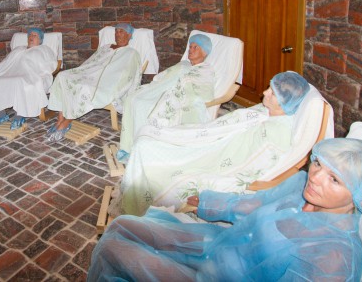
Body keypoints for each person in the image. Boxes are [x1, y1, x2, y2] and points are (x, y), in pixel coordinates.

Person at [89, 137, 362, 281]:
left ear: (358, 198)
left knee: (112, 249)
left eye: (334, 179)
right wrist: (209, 202)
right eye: (318, 164)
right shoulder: (300, 185)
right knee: (121, 225)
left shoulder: (334, 255)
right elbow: (256, 202)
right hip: (214, 245)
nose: (315, 177)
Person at [119, 71, 315, 216]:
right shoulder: (265, 111)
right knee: (149, 136)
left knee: (147, 147)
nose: (264, 92)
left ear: (284, 101)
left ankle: (136, 207)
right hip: (209, 140)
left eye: (272, 92)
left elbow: (252, 166)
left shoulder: (277, 134)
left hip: (213, 158)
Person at [117, 33, 215, 161]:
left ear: (204, 52)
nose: (190, 50)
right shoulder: (184, 64)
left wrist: (183, 86)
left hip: (178, 98)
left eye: (195, 47)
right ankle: (130, 146)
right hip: (161, 90)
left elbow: (206, 92)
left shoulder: (205, 70)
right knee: (133, 99)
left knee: (143, 105)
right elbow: (164, 77)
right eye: (190, 47)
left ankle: (146, 150)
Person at [46, 23, 142, 142]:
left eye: (121, 31)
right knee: (62, 76)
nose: (117, 34)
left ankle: (67, 121)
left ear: (129, 35)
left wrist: (111, 81)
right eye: (116, 31)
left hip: (107, 81)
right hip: (89, 74)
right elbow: (91, 62)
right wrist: (83, 72)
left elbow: (128, 74)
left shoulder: (131, 53)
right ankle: (60, 119)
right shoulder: (106, 47)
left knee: (84, 88)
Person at [0, 27, 58, 129]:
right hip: (9, 74)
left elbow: (50, 64)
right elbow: (5, 63)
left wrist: (39, 72)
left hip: (30, 75)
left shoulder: (44, 49)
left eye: (34, 35)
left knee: (19, 82)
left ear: (40, 40)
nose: (31, 37)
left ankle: (19, 116)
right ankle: (1, 114)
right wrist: (3, 71)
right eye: (30, 35)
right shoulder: (18, 49)